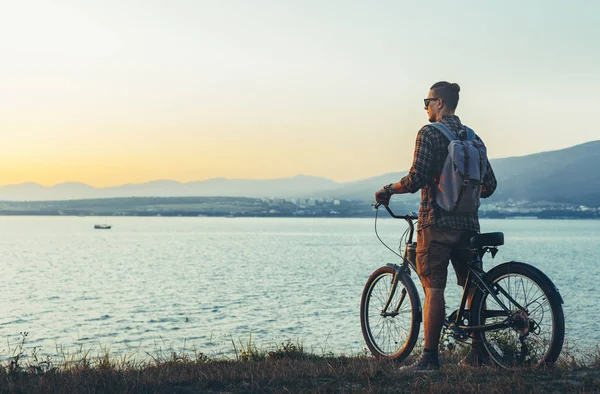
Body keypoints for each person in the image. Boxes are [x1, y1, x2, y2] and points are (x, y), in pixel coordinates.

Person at [375, 81, 497, 371]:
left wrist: (388, 189)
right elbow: (489, 186)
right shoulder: (474, 138)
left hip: (436, 223)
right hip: (469, 226)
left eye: (427, 101)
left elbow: (415, 178)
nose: (426, 107)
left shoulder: (429, 133)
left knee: (434, 288)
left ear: (440, 103)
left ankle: (429, 359)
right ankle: (478, 353)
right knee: (472, 286)